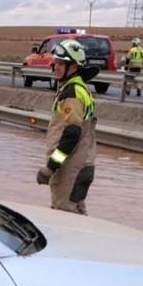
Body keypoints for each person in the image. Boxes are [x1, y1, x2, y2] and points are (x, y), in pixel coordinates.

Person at [36, 38, 97, 214]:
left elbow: (71, 134)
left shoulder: (72, 92)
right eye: (55, 63)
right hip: (82, 164)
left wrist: (51, 167)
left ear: (74, 67)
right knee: (75, 215)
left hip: (72, 168)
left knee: (65, 215)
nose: (56, 67)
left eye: (61, 63)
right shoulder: (77, 88)